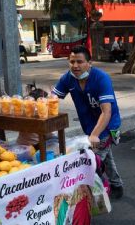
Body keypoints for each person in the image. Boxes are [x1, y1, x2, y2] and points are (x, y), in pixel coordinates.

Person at [52, 45, 123, 199]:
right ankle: (116, 185)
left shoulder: (101, 78)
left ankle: (92, 197)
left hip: (106, 126)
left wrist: (95, 135)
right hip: (89, 126)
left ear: (89, 63)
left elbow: (107, 112)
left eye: (80, 62)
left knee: (91, 164)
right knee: (105, 156)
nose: (75, 66)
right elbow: (52, 99)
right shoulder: (68, 78)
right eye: (72, 62)